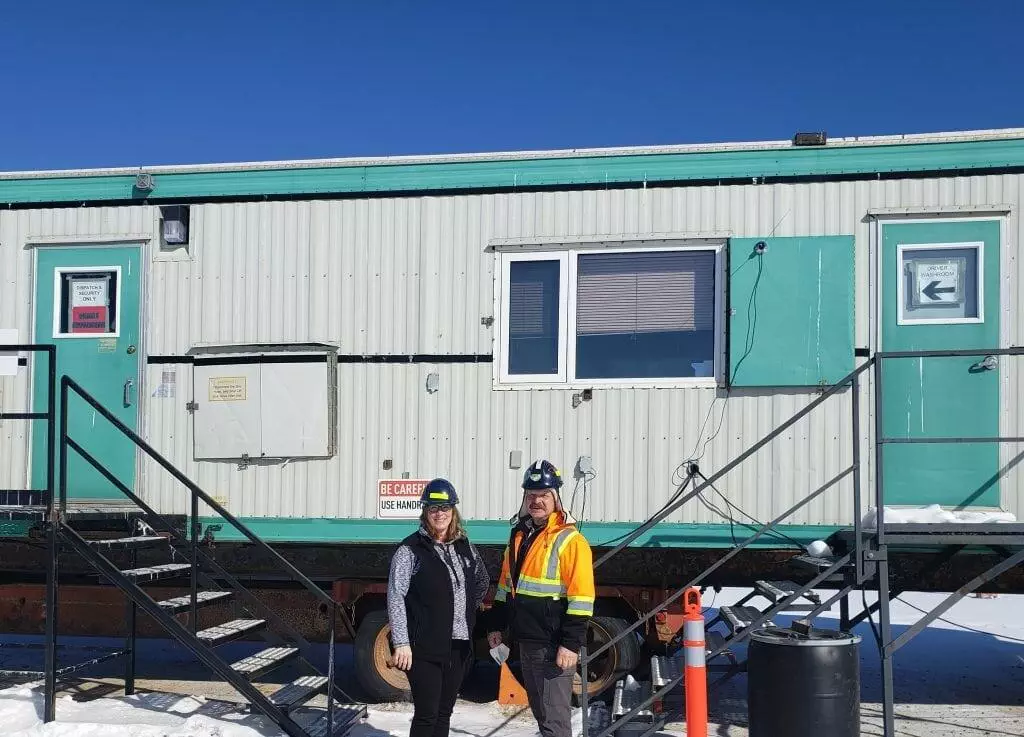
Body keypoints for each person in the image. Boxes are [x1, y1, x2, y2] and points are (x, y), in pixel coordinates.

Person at [486, 460, 596, 737]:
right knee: (540, 713)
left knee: (554, 722)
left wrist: (570, 644)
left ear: (555, 498)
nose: (536, 501)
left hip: (553, 646)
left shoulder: (571, 541)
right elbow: (505, 587)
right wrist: (496, 626)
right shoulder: (520, 535)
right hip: (526, 642)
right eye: (531, 495)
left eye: (543, 495)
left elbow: (582, 598)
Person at [386, 478, 490, 737]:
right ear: (425, 512)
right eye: (433, 508)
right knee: (427, 715)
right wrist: (401, 642)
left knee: (445, 713)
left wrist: (466, 607)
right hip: (424, 647)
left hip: (459, 645)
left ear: (453, 511)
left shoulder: (464, 546)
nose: (439, 514)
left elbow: (482, 579)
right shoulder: (410, 549)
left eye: (445, 508)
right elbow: (396, 595)